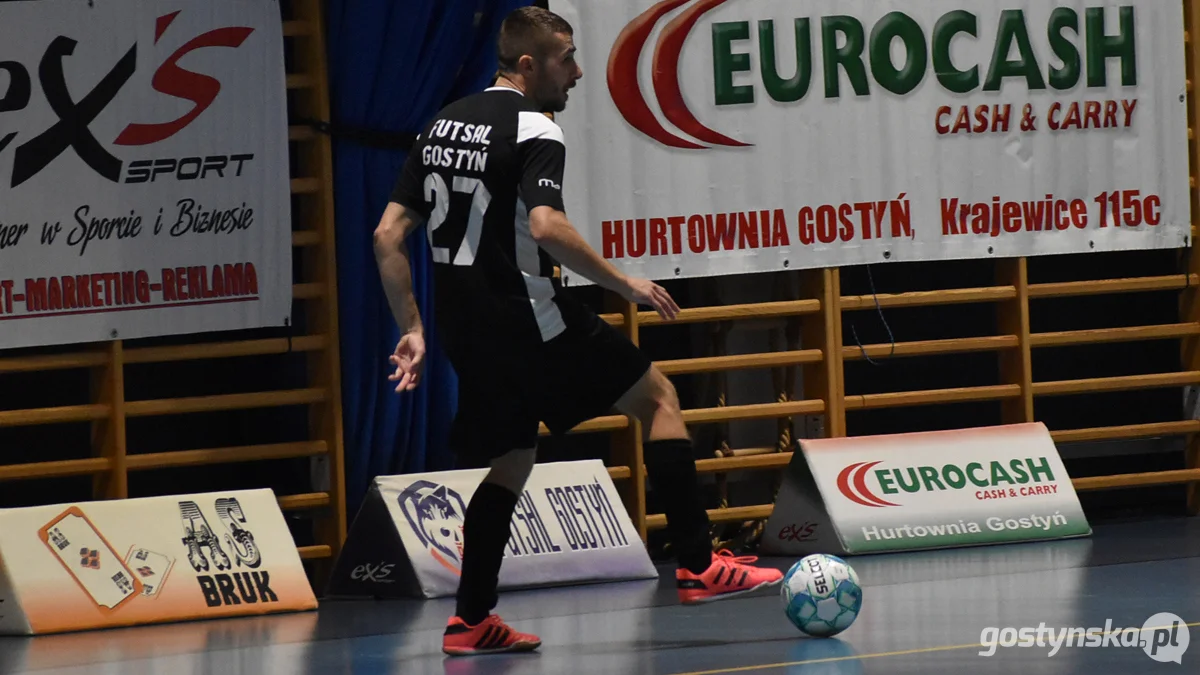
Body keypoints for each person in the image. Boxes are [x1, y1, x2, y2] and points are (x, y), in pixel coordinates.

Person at [373, 6, 783, 657]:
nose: (580, 72)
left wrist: (413, 328)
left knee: (510, 459)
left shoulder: (442, 122)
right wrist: (628, 284)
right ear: (529, 65)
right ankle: (702, 564)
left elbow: (388, 233)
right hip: (532, 317)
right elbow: (547, 228)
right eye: (567, 58)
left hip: (465, 333)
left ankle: (471, 619)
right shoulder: (538, 127)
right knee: (659, 398)